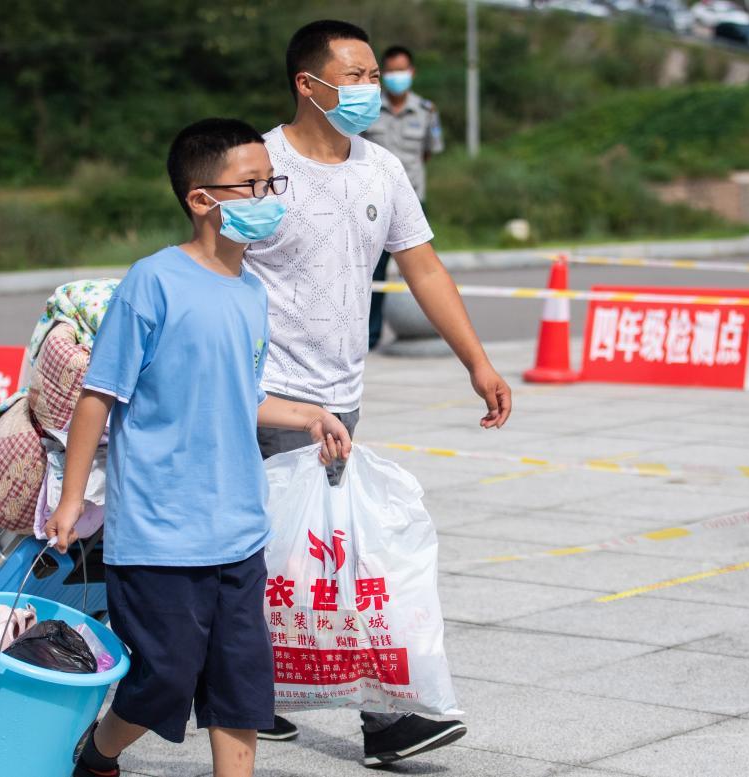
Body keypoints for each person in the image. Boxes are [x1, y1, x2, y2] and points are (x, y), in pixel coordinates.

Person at [45, 117, 353, 777]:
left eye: (273, 182)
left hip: (238, 530)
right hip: (159, 535)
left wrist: (310, 415)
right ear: (201, 199)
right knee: (161, 680)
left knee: (241, 690)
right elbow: (99, 394)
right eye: (252, 185)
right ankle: (97, 754)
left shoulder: (248, 291)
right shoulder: (152, 281)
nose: (270, 196)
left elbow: (237, 391)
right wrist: (71, 500)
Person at [245, 20, 512, 768]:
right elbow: (216, 263)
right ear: (309, 84)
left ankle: (252, 691)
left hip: (341, 395)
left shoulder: (382, 169)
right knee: (312, 557)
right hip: (264, 394)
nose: (369, 90)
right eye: (355, 76)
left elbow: (422, 267)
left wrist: (477, 361)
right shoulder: (258, 164)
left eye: (372, 76)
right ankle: (382, 721)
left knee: (305, 558)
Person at [362, 44, 444, 350]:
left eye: (402, 70)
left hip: (411, 200)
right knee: (373, 271)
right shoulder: (368, 109)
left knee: (422, 269)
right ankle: (369, 337)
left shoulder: (426, 111)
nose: (397, 76)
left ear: (412, 72)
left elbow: (427, 153)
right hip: (372, 202)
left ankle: (429, 331)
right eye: (391, 71)